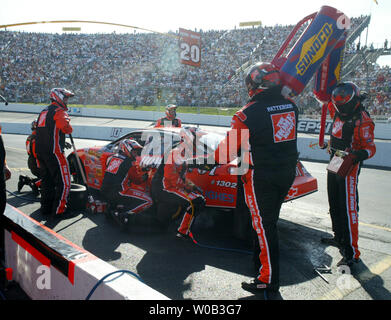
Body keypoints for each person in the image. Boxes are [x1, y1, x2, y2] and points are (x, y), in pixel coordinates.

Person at [209, 62, 299, 295]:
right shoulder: (291, 106)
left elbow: (224, 154)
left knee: (263, 226)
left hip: (261, 177)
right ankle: (261, 266)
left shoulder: (247, 113)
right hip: (286, 172)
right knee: (270, 223)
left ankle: (268, 279)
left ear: (256, 84)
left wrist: (207, 158)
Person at [322, 81, 376, 267]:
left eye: (343, 101)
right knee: (334, 203)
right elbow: (326, 98)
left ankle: (352, 252)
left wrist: (357, 156)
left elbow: (370, 148)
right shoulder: (335, 109)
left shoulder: (362, 119)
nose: (339, 104)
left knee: (348, 208)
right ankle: (339, 238)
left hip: (349, 163)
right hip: (335, 158)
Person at [151, 127, 205, 239]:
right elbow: (171, 177)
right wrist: (188, 187)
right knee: (196, 201)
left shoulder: (185, 152)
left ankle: (182, 229)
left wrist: (193, 186)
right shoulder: (175, 153)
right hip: (164, 188)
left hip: (170, 186)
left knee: (199, 199)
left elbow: (181, 176)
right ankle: (182, 232)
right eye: (197, 139)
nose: (199, 142)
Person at [35, 88, 74, 216]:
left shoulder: (44, 111)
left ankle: (45, 208)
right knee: (65, 181)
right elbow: (66, 128)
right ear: (58, 97)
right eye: (66, 98)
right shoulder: (59, 110)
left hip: (41, 152)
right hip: (54, 152)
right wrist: (68, 123)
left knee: (47, 181)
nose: (67, 101)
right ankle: (59, 210)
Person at [100, 138, 153, 228]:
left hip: (105, 190)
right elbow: (137, 180)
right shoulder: (129, 162)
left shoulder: (113, 157)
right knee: (148, 201)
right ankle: (125, 215)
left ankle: (113, 208)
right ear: (126, 149)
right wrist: (146, 173)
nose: (135, 154)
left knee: (127, 187)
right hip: (118, 192)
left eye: (136, 152)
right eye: (134, 151)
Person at [18, 120, 41, 195]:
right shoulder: (37, 137)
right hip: (36, 162)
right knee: (49, 179)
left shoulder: (30, 137)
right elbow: (36, 153)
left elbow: (29, 151)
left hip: (31, 161)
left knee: (44, 178)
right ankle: (34, 183)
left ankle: (25, 180)